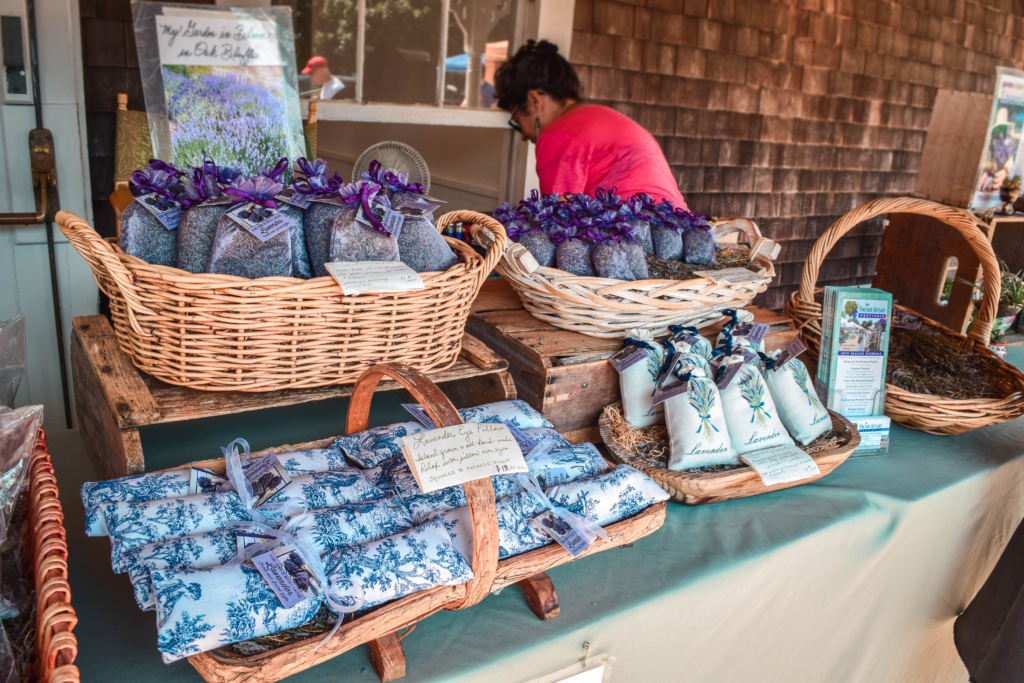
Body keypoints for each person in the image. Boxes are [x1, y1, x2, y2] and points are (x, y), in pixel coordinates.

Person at [495, 40, 687, 207]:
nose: (523, 135)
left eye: (517, 121)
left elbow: (558, 222)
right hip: (680, 227)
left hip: (634, 231)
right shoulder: (601, 116)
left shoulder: (558, 134)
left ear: (534, 101)